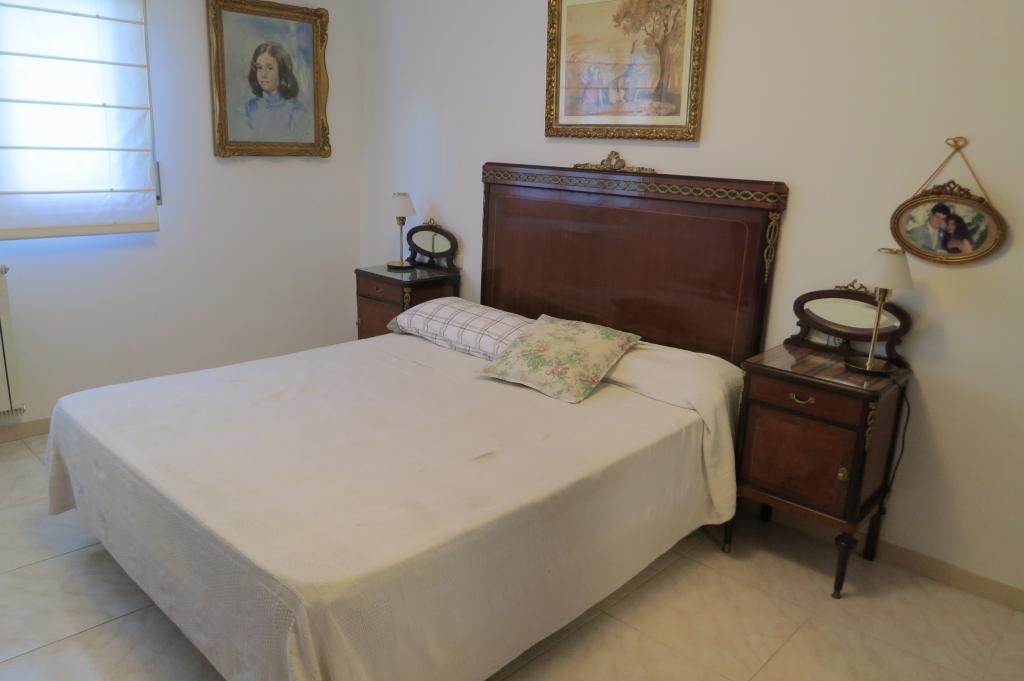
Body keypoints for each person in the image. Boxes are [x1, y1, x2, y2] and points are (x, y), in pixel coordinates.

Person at [244, 42, 310, 139]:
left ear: (282, 72)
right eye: (259, 67)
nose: (263, 74)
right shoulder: (250, 108)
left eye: (270, 68)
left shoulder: (296, 112)